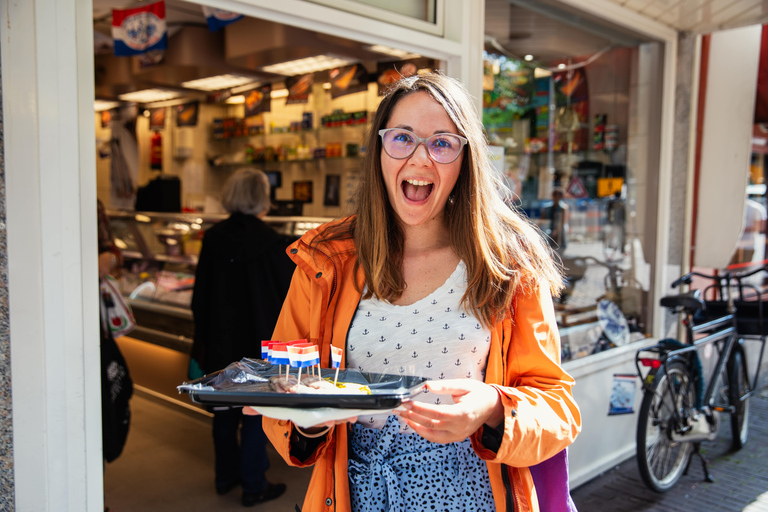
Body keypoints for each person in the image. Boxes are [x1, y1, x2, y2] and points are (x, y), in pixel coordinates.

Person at [255, 72, 581, 511]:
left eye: (442, 143)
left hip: (473, 497)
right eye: (402, 138)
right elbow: (286, 392)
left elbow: (556, 406)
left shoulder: (507, 261)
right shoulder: (325, 259)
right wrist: (309, 423)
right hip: (357, 497)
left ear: (466, 159)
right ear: (380, 152)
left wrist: (493, 407)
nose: (420, 159)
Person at [190, 168, 294, 507]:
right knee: (254, 414)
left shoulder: (212, 237)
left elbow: (200, 296)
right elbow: (287, 298)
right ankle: (253, 484)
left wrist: (204, 336)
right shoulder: (274, 243)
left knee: (224, 413)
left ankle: (225, 477)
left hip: (220, 341)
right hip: (259, 344)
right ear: (263, 198)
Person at [543, 186, 568, 255]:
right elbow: (543, 220)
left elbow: (562, 222)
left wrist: (556, 231)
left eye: (558, 196)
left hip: (559, 234)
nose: (556, 198)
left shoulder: (562, 208)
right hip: (549, 232)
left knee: (559, 252)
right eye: (555, 196)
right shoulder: (547, 208)